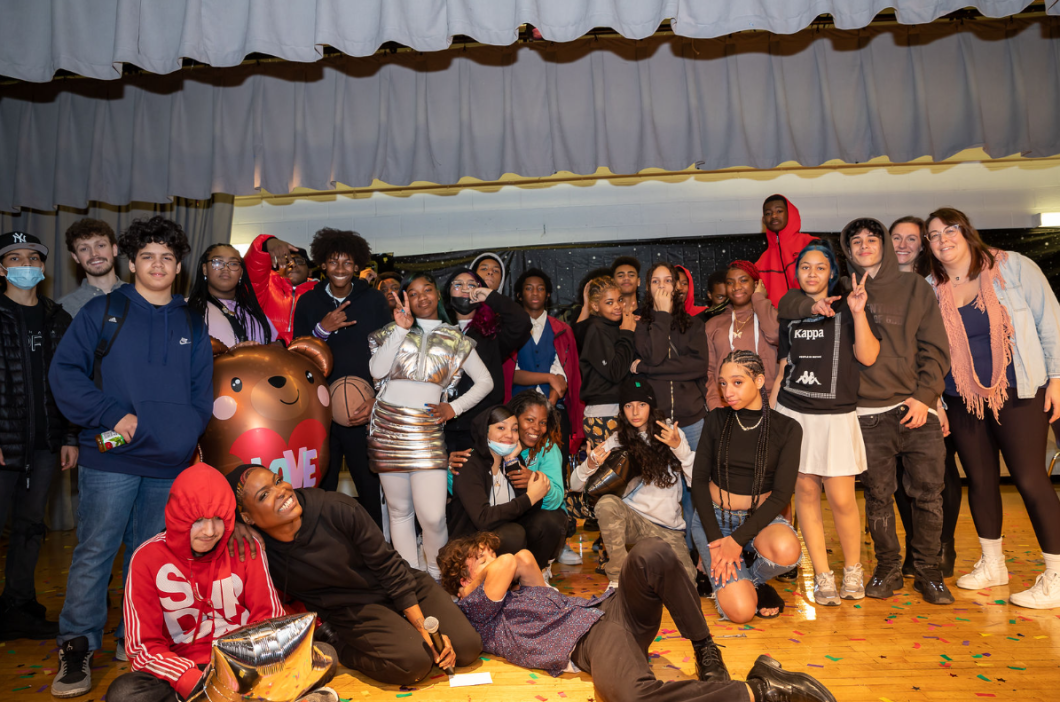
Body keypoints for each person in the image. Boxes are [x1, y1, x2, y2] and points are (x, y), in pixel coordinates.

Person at [49, 216, 213, 697]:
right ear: (131, 262)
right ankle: (76, 650)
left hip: (169, 463)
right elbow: (66, 376)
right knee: (95, 551)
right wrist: (111, 414)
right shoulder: (103, 312)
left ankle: (135, 640)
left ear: (178, 265)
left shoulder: (190, 319)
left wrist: (184, 438)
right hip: (111, 456)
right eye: (147, 257)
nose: (157, 265)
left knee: (151, 557)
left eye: (167, 257)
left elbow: (201, 394)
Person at [778, 217, 953, 605]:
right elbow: (789, 302)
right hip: (864, 413)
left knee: (927, 495)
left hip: (913, 405)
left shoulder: (913, 287)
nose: (863, 246)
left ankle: (929, 572)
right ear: (847, 252)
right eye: (854, 241)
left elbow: (936, 349)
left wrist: (927, 397)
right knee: (877, 497)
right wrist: (812, 302)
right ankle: (886, 569)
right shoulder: (840, 288)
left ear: (884, 246)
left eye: (871, 240)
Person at [438, 534, 837, 702]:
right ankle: (761, 690)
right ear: (461, 582)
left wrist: (492, 564)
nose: (491, 560)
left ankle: (705, 648)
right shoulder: (475, 612)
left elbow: (521, 559)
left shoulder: (513, 587)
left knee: (649, 552)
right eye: (479, 559)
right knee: (633, 697)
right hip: (588, 641)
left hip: (606, 612)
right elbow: (508, 559)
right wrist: (489, 568)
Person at [228, 464, 483, 685]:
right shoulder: (257, 552)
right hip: (354, 610)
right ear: (247, 517)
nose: (281, 491)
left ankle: (404, 629)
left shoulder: (336, 507)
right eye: (264, 495)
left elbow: (389, 568)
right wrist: (232, 527)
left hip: (401, 584)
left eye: (278, 481)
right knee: (414, 663)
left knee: (468, 648)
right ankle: (337, 644)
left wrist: (421, 628)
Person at [106, 463, 338, 702]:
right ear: (178, 517)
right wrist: (193, 681)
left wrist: (246, 669)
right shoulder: (146, 558)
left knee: (323, 655)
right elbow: (143, 647)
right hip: (184, 671)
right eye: (197, 520)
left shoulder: (246, 548)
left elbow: (270, 620)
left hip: (247, 665)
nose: (209, 531)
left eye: (218, 518)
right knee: (124, 694)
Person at [925, 207, 1060, 609]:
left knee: (1031, 480)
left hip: (1018, 389)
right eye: (933, 235)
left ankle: (1056, 575)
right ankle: (993, 564)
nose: (943, 239)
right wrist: (936, 399)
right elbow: (928, 350)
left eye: (950, 230)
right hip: (961, 399)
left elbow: (1049, 321)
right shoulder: (932, 286)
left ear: (967, 232)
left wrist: (1057, 377)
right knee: (980, 481)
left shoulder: (1013, 267)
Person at [768, 243, 881, 605]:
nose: (812, 273)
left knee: (843, 499)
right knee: (805, 497)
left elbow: (868, 356)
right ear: (797, 272)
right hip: (795, 414)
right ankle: (822, 576)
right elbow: (785, 365)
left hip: (836, 417)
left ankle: (852, 569)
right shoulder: (791, 309)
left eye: (820, 267)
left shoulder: (851, 308)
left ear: (832, 273)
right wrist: (772, 415)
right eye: (805, 267)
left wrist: (859, 313)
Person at [368, 272, 493, 580]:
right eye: (413, 292)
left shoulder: (456, 338)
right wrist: (400, 329)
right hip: (387, 427)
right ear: (405, 298)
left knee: (434, 517)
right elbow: (376, 370)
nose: (421, 296)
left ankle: (439, 577)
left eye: (427, 290)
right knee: (399, 512)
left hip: (426, 430)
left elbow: (486, 381)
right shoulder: (390, 332)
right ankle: (413, 580)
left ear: (438, 295)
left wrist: (454, 407)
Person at [0, 232, 76, 641]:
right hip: (4, 442)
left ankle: (19, 606)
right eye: (14, 258)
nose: (25, 264)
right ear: (1, 269)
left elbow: (67, 384)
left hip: (45, 444)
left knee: (31, 526)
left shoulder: (56, 317)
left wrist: (69, 436)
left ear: (43, 268)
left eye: (32, 257)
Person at [691, 350, 803, 623]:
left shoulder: (787, 428)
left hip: (759, 520)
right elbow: (698, 482)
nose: (728, 391)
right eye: (723, 383)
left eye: (737, 382)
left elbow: (780, 496)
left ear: (760, 381)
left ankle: (750, 578)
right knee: (741, 613)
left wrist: (736, 542)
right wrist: (718, 541)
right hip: (714, 522)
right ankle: (746, 581)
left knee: (787, 549)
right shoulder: (716, 420)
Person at [294, 228, 391, 507]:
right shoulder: (308, 302)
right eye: (333, 261)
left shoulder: (373, 301)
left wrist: (377, 399)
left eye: (347, 262)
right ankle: (328, 548)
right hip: (321, 411)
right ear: (322, 264)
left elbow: (391, 354)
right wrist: (322, 330)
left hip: (365, 410)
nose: (340, 268)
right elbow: (298, 355)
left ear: (358, 266)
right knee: (322, 488)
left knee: (371, 486)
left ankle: (376, 546)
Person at [571, 377, 697, 588]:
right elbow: (574, 485)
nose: (635, 412)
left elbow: (695, 481)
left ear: (651, 407)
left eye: (641, 405)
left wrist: (680, 449)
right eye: (628, 406)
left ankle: (647, 572)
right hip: (634, 523)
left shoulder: (670, 433)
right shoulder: (617, 440)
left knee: (687, 586)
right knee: (607, 504)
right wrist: (590, 464)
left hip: (669, 530)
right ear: (622, 410)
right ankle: (617, 579)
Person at [890, 215, 963, 578]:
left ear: (923, 246)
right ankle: (916, 547)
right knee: (902, 479)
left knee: (939, 476)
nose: (903, 244)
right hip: (890, 400)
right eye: (896, 237)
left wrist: (935, 400)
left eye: (912, 238)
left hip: (932, 393)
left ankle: (941, 548)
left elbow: (934, 349)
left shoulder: (935, 286)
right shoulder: (875, 285)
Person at [446, 405, 561, 573]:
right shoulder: (469, 464)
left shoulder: (511, 460)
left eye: (514, 430)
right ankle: (502, 585)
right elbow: (483, 519)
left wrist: (513, 463)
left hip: (499, 534)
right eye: (501, 428)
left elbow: (531, 510)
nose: (509, 435)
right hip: (468, 546)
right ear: (484, 432)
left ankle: (534, 576)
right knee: (513, 533)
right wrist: (529, 497)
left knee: (547, 522)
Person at [442, 268, 531, 452]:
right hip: (445, 424)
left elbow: (522, 322)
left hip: (482, 426)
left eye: (472, 285)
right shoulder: (439, 331)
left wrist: (491, 297)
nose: (465, 289)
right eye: (458, 284)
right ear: (448, 293)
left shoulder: (493, 332)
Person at [506, 267, 585, 465]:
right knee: (519, 466)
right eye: (529, 288)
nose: (535, 293)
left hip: (555, 411)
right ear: (519, 295)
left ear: (548, 294)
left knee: (556, 467)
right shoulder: (509, 330)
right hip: (517, 414)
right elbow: (509, 374)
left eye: (540, 288)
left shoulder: (562, 330)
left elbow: (564, 376)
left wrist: (548, 406)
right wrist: (548, 378)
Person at [634, 262, 709, 448]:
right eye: (655, 281)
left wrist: (645, 369)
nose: (661, 286)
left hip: (692, 419)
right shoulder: (642, 325)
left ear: (676, 286)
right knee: (660, 477)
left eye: (668, 280)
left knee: (694, 475)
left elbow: (698, 366)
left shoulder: (694, 324)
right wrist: (662, 315)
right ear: (647, 287)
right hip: (656, 421)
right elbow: (655, 357)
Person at [705, 261, 779, 411]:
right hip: (727, 404)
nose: (737, 287)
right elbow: (709, 370)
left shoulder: (769, 315)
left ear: (756, 284)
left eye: (743, 280)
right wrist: (715, 406)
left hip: (769, 403)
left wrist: (759, 300)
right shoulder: (713, 324)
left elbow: (774, 336)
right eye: (730, 283)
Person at [578, 276, 637, 445]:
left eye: (619, 300)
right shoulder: (596, 329)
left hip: (616, 408)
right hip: (604, 412)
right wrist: (627, 333)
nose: (617, 306)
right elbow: (615, 372)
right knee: (611, 469)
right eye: (609, 302)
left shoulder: (611, 326)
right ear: (595, 306)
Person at [187, 243, 276, 347]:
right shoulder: (186, 308)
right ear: (204, 269)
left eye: (233, 263)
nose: (226, 268)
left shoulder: (256, 315)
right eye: (218, 262)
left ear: (241, 273)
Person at [244, 233, 318, 344]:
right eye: (286, 262)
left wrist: (284, 342)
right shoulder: (266, 286)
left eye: (299, 261)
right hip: (265, 355)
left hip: (307, 355)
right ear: (278, 269)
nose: (292, 265)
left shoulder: (320, 293)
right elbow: (253, 268)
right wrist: (267, 242)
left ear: (310, 271)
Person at [755, 195, 818, 307]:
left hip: (815, 314)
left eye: (779, 211)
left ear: (790, 213)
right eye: (768, 213)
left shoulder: (811, 244)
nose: (774, 216)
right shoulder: (761, 263)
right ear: (764, 220)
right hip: (779, 321)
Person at [57, 218, 125, 319]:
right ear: (76, 257)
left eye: (101, 245)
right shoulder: (63, 308)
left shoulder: (141, 297)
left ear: (114, 250)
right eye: (84, 249)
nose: (94, 254)